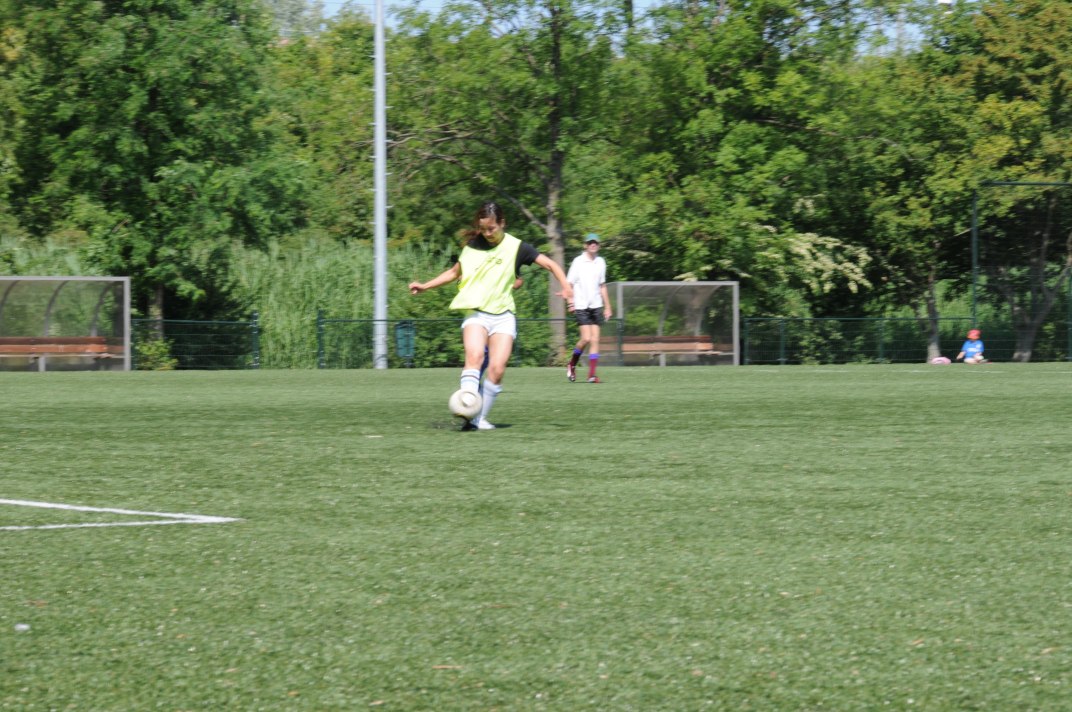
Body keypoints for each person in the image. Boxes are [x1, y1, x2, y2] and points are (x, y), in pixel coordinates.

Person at [409, 202, 573, 430]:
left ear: (502, 224)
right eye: (483, 228)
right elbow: (454, 273)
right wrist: (425, 286)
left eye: (492, 228)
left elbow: (550, 264)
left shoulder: (517, 247)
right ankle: (467, 408)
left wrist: (566, 286)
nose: (487, 233)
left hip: (503, 316)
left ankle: (478, 419)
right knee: (474, 356)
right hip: (476, 313)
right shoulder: (472, 247)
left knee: (497, 369)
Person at [565, 233, 612, 383]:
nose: (593, 244)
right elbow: (569, 284)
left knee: (595, 340)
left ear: (598, 245)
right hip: (581, 305)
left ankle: (592, 375)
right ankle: (572, 364)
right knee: (585, 338)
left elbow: (602, 286)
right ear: (585, 245)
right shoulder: (578, 262)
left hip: (596, 305)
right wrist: (570, 302)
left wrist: (608, 307)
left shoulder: (601, 262)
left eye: (595, 242)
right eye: (590, 242)